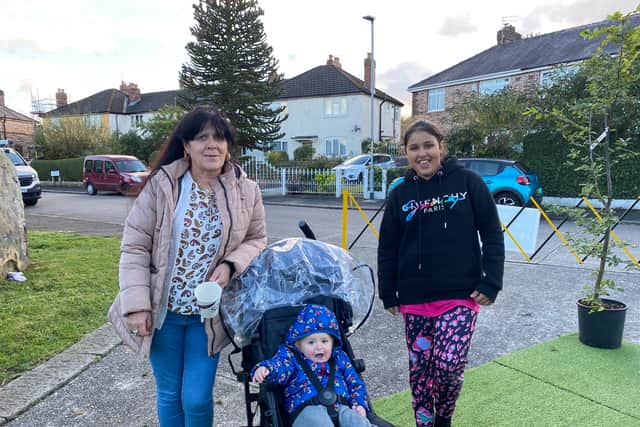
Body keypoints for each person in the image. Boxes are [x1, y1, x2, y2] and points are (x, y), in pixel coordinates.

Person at [108, 106, 267, 427]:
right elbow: (135, 247)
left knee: (195, 398)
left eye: (220, 138)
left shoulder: (246, 189)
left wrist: (230, 264)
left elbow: (257, 238)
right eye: (202, 137)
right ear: (186, 146)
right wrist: (137, 306)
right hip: (162, 313)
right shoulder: (162, 186)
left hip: (207, 317)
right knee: (169, 393)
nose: (212, 145)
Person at [377, 121, 504, 427]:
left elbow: (492, 234)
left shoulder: (469, 183)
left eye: (428, 145)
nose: (422, 154)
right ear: (405, 153)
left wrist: (492, 281)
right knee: (420, 372)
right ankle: (424, 423)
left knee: (448, 365)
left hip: (460, 296)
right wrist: (387, 291)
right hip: (414, 298)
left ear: (441, 147)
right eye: (414, 148)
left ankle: (443, 418)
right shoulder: (400, 193)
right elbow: (388, 246)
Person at [251, 304, 375, 427]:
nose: (319, 347)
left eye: (324, 341)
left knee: (354, 419)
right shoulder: (291, 357)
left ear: (333, 342)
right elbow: (280, 366)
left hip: (341, 406)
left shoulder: (339, 357)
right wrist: (267, 369)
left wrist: (359, 404)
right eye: (311, 342)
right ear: (298, 344)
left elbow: (355, 383)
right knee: (318, 420)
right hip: (306, 410)